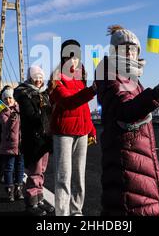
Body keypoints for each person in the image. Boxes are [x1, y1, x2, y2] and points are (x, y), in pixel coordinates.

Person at [95, 25, 159, 216]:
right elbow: (125, 111)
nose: (132, 54)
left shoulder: (130, 78)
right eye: (127, 49)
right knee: (130, 206)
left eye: (135, 50)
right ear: (115, 50)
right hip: (126, 159)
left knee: (141, 204)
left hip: (137, 157)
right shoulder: (109, 75)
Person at [48, 39, 97, 216]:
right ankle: (62, 214)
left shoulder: (80, 77)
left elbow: (84, 108)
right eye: (69, 57)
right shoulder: (56, 80)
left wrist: (91, 128)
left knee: (79, 177)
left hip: (82, 133)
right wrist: (92, 90)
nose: (73, 61)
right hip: (64, 134)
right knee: (63, 178)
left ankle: (77, 211)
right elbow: (68, 102)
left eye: (76, 57)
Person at [14, 65, 54, 216]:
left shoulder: (44, 94)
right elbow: (30, 116)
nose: (38, 80)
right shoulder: (24, 94)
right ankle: (31, 203)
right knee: (34, 171)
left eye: (40, 77)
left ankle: (39, 199)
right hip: (33, 138)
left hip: (44, 139)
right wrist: (47, 113)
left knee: (41, 171)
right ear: (30, 78)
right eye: (36, 77)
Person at [0, 88, 24, 202]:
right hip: (9, 144)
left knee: (20, 167)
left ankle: (18, 189)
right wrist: (13, 117)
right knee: (9, 168)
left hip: (21, 143)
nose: (8, 100)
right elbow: (6, 125)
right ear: (3, 100)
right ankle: (10, 190)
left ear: (14, 99)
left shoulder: (20, 109)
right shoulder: (2, 111)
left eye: (10, 98)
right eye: (6, 98)